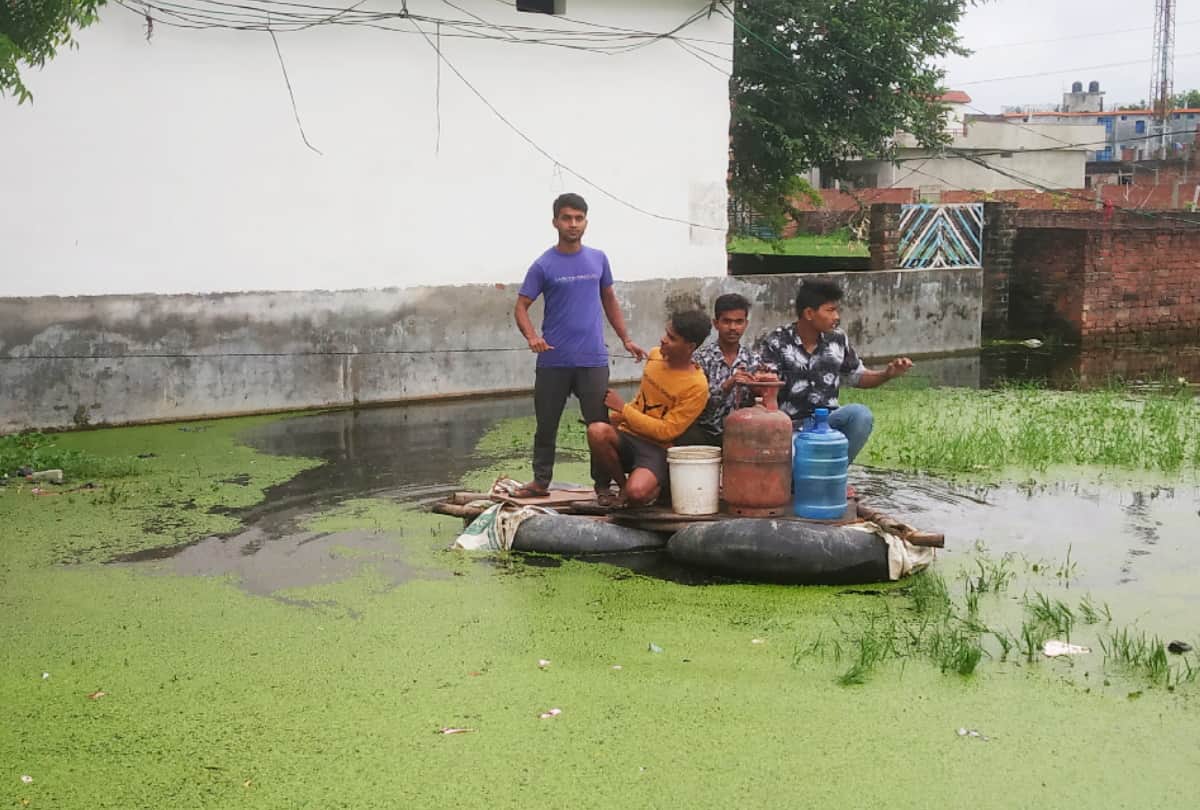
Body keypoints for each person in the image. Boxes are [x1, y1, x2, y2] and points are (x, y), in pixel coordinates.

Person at [513, 193, 647, 499]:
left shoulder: (598, 259)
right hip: (552, 361)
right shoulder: (543, 265)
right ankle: (540, 481)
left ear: (586, 221)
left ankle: (603, 486)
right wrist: (532, 336)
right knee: (546, 425)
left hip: (593, 360)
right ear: (555, 222)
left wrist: (626, 339)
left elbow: (609, 299)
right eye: (566, 218)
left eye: (579, 218)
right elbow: (521, 306)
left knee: (599, 426)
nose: (573, 224)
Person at [758, 280, 913, 465]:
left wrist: (887, 374)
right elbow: (764, 388)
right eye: (830, 310)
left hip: (828, 422)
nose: (836, 317)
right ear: (809, 313)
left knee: (861, 415)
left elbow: (857, 376)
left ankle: (836, 474)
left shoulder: (837, 339)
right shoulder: (777, 342)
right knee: (796, 468)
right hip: (789, 427)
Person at [587, 310, 712, 507]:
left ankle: (653, 489)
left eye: (672, 338)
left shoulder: (697, 386)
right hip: (628, 436)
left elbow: (667, 431)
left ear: (690, 347)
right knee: (596, 431)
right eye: (665, 333)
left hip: (657, 448)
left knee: (638, 493)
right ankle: (622, 487)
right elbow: (641, 400)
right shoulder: (654, 357)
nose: (663, 340)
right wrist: (619, 416)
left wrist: (624, 409)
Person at [678, 292, 773, 447]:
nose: (733, 328)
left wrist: (759, 388)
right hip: (706, 432)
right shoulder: (700, 359)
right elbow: (696, 406)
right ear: (716, 323)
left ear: (746, 324)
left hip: (743, 432)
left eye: (738, 322)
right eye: (727, 322)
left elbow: (764, 401)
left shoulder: (754, 359)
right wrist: (727, 386)